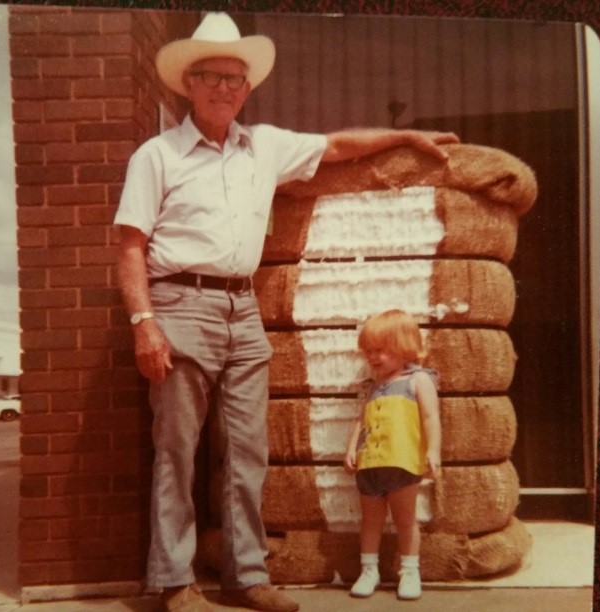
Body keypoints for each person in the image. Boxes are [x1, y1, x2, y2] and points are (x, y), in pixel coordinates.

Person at [115, 12, 457, 612]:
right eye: (213, 77)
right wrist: (145, 324)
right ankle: (172, 583)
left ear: (248, 89)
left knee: (248, 450)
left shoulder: (265, 146)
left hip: (242, 310)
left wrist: (404, 137)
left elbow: (338, 145)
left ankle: (246, 577)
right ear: (188, 84)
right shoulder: (157, 155)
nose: (226, 88)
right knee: (177, 447)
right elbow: (129, 246)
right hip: (178, 303)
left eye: (236, 79)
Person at [344, 309, 442, 601]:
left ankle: (410, 571)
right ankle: (369, 570)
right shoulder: (373, 387)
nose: (373, 358)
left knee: (405, 519)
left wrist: (433, 450)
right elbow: (361, 420)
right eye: (368, 352)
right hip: (370, 463)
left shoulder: (418, 381)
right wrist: (351, 448)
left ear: (403, 347)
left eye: (380, 351)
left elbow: (430, 417)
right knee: (370, 520)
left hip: (402, 463)